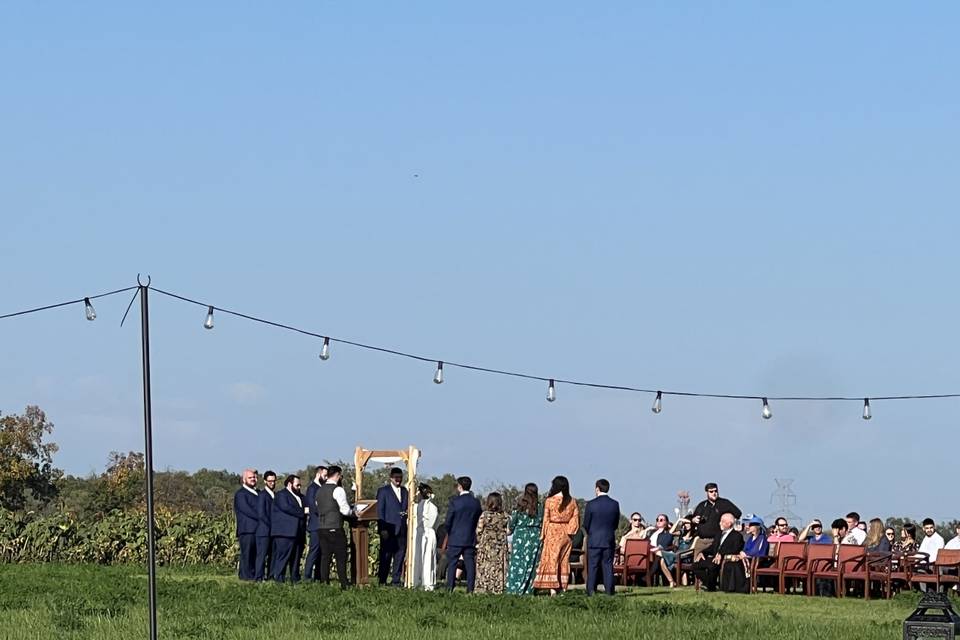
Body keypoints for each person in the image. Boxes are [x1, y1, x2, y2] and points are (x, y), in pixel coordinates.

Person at [533, 475, 580, 594]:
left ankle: (553, 588)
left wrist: (543, 534)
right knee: (564, 560)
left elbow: (546, 518)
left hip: (552, 531)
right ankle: (563, 586)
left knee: (552, 560)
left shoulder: (549, 501)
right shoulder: (572, 501)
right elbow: (575, 519)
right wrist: (571, 532)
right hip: (566, 533)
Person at [314, 465, 352, 589]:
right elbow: (345, 510)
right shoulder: (338, 490)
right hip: (335, 526)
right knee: (341, 556)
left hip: (321, 527)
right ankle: (344, 584)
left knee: (325, 556)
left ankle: (324, 583)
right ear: (337, 475)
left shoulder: (319, 490)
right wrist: (354, 512)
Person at [444, 476, 483, 592]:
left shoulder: (455, 502)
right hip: (470, 537)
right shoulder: (475, 502)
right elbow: (478, 518)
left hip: (455, 537)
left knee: (452, 563)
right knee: (470, 564)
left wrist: (449, 530)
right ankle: (470, 588)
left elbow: (448, 520)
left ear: (459, 487)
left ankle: (450, 588)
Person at [583, 479, 620, 596]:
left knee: (593, 566)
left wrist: (591, 532)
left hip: (594, 539)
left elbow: (586, 523)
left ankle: (591, 591)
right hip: (608, 539)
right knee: (608, 566)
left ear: (597, 488)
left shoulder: (591, 504)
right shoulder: (615, 504)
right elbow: (615, 523)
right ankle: (609, 591)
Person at [692, 513, 747, 592]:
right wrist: (702, 552)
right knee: (695, 565)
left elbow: (735, 549)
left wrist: (721, 553)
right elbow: (712, 547)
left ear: (729, 524)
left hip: (725, 559)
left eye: (722, 521)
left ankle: (711, 588)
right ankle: (708, 584)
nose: (720, 523)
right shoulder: (719, 534)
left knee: (712, 566)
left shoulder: (737, 536)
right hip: (714, 558)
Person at [506, 483, 543, 595]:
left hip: (520, 536)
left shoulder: (520, 505)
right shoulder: (540, 507)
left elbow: (513, 522)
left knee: (517, 563)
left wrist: (511, 529)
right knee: (531, 564)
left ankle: (514, 588)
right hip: (534, 536)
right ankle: (528, 589)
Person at [376, 467, 409, 586]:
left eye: (400, 478)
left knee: (400, 555)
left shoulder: (405, 491)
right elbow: (380, 511)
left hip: (402, 529)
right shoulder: (383, 491)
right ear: (391, 478)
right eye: (396, 478)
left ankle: (396, 580)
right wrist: (382, 528)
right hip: (389, 529)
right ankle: (382, 580)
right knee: (386, 555)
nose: (398, 480)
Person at [691, 483, 741, 559]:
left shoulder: (724, 503)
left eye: (716, 491)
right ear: (707, 493)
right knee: (696, 564)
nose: (714, 493)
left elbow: (738, 513)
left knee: (712, 565)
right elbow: (691, 519)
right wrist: (693, 520)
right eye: (711, 492)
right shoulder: (702, 505)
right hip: (701, 541)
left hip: (715, 541)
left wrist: (729, 520)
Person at [271, 474, 305, 582]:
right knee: (283, 556)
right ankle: (279, 577)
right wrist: (303, 512)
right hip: (285, 532)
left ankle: (295, 577)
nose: (299, 487)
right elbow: (287, 508)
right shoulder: (282, 495)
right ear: (290, 484)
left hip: (297, 532)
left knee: (296, 557)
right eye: (297, 485)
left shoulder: (300, 497)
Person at [475, 492, 509, 594]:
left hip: (487, 543)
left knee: (485, 566)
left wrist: (480, 539)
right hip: (500, 544)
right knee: (498, 566)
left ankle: (484, 587)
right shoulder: (505, 515)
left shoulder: (485, 515)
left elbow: (479, 530)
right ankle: (498, 587)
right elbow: (508, 530)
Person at [233, 468, 259, 580]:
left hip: (257, 529)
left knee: (255, 554)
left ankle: (253, 574)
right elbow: (247, 510)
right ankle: (245, 576)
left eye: (254, 477)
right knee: (247, 554)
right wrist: (262, 517)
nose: (252, 479)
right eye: (250, 477)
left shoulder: (258, 493)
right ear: (244, 480)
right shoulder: (241, 494)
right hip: (247, 529)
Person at [303, 465, 328, 581]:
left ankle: (319, 576)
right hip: (316, 525)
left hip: (323, 525)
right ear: (318, 474)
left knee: (322, 552)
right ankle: (307, 576)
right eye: (325, 475)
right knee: (314, 551)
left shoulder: (322, 487)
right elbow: (313, 506)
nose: (326, 477)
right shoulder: (312, 488)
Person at [412, 483, 438, 591]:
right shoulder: (429, 507)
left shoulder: (420, 507)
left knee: (423, 557)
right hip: (423, 532)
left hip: (424, 532)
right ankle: (423, 581)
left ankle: (422, 581)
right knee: (423, 557)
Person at [254, 470, 277, 581]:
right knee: (262, 555)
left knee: (273, 555)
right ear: (265, 481)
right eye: (270, 481)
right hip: (264, 531)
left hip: (273, 531)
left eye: (274, 481)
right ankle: (259, 576)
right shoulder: (262, 495)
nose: (272, 483)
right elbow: (261, 514)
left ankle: (271, 575)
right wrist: (271, 525)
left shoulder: (275, 495)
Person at [647, 514, 676, 588]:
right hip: (650, 553)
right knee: (658, 556)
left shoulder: (667, 533)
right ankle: (648, 576)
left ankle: (649, 576)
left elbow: (664, 545)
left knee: (659, 554)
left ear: (666, 522)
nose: (659, 521)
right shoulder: (651, 532)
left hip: (663, 553)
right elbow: (644, 540)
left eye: (661, 520)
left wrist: (656, 548)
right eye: (657, 520)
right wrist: (646, 530)